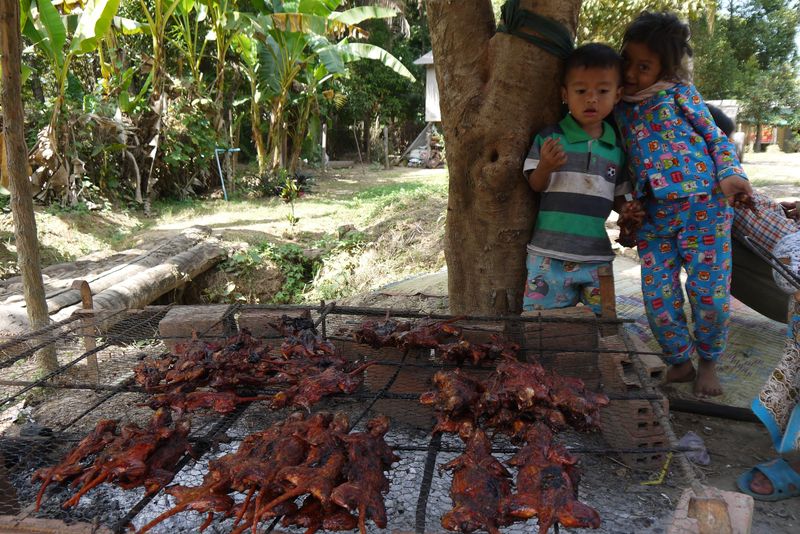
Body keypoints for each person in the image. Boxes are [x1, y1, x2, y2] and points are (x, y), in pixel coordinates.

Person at [614, 12, 753, 397]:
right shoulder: (617, 107)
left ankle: (708, 363)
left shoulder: (680, 94)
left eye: (644, 67)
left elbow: (716, 138)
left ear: (666, 67)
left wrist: (730, 174)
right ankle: (679, 361)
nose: (631, 72)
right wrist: (625, 206)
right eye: (627, 60)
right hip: (653, 216)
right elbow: (619, 163)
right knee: (657, 294)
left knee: (709, 293)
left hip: (704, 207)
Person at [521, 43, 640, 315]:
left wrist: (628, 213)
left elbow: (619, 198)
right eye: (581, 90)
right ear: (565, 94)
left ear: (618, 94)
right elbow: (535, 185)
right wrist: (546, 166)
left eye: (602, 91)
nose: (591, 99)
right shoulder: (549, 138)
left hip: (596, 258)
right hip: (548, 256)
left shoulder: (616, 149)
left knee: (605, 324)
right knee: (542, 326)